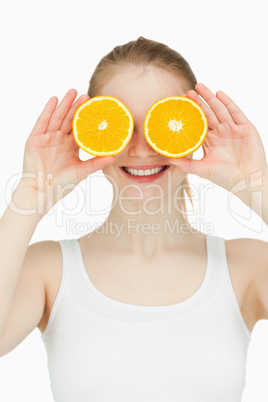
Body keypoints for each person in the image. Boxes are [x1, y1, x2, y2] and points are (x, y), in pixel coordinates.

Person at [0, 37, 267, 401]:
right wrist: (29, 196)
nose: (140, 149)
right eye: (120, 124)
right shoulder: (48, 269)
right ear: (91, 132)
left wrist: (257, 189)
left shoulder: (247, 266)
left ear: (195, 130)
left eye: (163, 123)